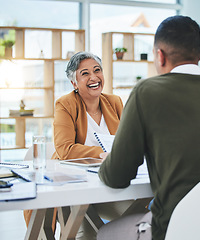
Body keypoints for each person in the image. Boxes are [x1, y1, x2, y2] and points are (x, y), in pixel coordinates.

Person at [97, 15, 200, 240]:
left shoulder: (147, 91)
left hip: (177, 227)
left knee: (103, 233)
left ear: (160, 56)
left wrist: (107, 162)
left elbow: (116, 176)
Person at [24, 52, 149, 239]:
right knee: (85, 234)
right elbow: (65, 149)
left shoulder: (114, 102)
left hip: (109, 183)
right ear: (74, 83)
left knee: (142, 221)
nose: (93, 77)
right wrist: (103, 153)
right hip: (74, 188)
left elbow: (129, 140)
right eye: (85, 73)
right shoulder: (65, 104)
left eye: (97, 70)